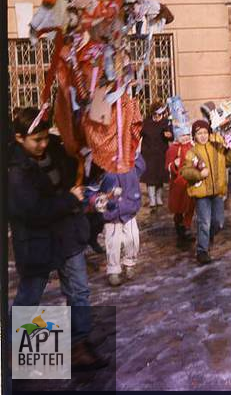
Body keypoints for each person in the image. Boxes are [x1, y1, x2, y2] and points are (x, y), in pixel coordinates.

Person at [8, 107, 107, 369]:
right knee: (29, 298)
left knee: (79, 291)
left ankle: (79, 346)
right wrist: (68, 199)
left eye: (45, 137)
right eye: (36, 140)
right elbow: (31, 211)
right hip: (36, 241)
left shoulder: (54, 147)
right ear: (19, 138)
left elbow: (71, 175)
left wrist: (87, 162)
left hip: (67, 235)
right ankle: (10, 353)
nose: (43, 144)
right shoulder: (14, 170)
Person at [181, 119, 228, 264]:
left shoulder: (217, 147)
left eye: (205, 133)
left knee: (219, 222)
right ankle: (202, 250)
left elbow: (230, 158)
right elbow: (185, 171)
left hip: (217, 191)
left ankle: (207, 237)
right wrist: (199, 174)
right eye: (199, 133)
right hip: (201, 193)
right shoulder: (192, 152)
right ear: (194, 136)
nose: (202, 136)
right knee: (204, 222)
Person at [102, 152, 146, 286]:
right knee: (113, 241)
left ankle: (130, 262)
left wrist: (135, 153)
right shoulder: (103, 158)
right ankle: (113, 269)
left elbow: (141, 167)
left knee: (133, 238)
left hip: (129, 205)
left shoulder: (129, 156)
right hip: (111, 209)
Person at [140, 102, 172, 212]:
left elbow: (171, 135)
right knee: (150, 177)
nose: (158, 117)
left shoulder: (166, 122)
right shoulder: (146, 122)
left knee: (160, 177)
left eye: (161, 114)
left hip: (161, 154)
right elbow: (139, 134)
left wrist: (169, 135)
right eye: (156, 114)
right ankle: (152, 199)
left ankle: (158, 197)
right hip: (148, 154)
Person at [165, 131, 196, 244]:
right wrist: (174, 165)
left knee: (191, 205)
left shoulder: (192, 146)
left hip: (190, 181)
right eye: (182, 135)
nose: (185, 137)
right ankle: (179, 224)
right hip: (178, 182)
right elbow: (168, 165)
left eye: (187, 134)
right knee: (179, 206)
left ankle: (187, 226)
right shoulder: (173, 148)